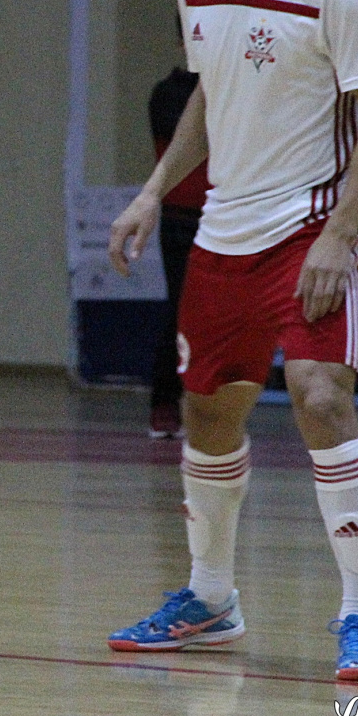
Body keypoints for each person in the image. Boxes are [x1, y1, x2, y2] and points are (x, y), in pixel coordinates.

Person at [106, 0, 358, 682]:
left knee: (320, 397)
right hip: (223, 229)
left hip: (312, 224)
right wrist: (153, 191)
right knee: (206, 411)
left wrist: (340, 233)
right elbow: (210, 92)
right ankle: (209, 599)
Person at [145, 67, 207, 439]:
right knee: (179, 312)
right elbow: (192, 141)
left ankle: (204, 404)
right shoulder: (167, 93)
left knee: (215, 317)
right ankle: (165, 402)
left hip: (224, 215)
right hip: (181, 216)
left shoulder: (227, 83)